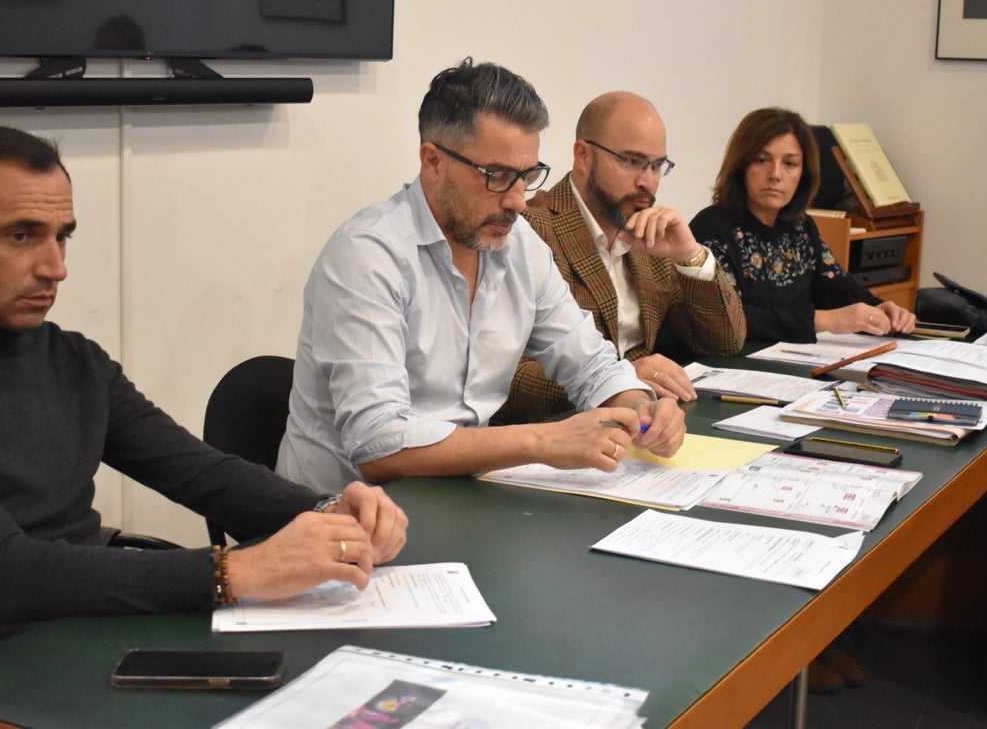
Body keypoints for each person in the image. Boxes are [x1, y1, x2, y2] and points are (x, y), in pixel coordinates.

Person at [0, 126, 408, 667]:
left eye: (62, 237)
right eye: (21, 235)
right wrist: (233, 572)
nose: (55, 267)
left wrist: (329, 511)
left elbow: (203, 475)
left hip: (91, 638)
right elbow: (3, 573)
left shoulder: (73, 360)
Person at [276, 59, 686, 494]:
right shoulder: (366, 256)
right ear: (432, 161)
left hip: (459, 498)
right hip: (339, 518)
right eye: (498, 176)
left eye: (527, 176)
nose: (518, 201)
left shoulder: (520, 246)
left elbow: (592, 366)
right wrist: (542, 440)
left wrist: (643, 408)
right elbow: (379, 445)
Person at [498, 91, 746, 423]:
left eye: (657, 166)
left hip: (646, 424)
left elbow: (725, 343)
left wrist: (690, 256)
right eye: (632, 161)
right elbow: (504, 377)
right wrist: (620, 378)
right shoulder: (529, 232)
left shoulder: (649, 234)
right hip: (561, 434)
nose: (648, 182)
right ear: (583, 155)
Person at [689, 107, 915, 345]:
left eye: (790, 163)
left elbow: (835, 285)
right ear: (741, 165)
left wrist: (878, 308)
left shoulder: (801, 227)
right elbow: (727, 318)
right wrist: (827, 321)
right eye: (762, 160)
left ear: (803, 173)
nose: (775, 175)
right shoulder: (712, 228)